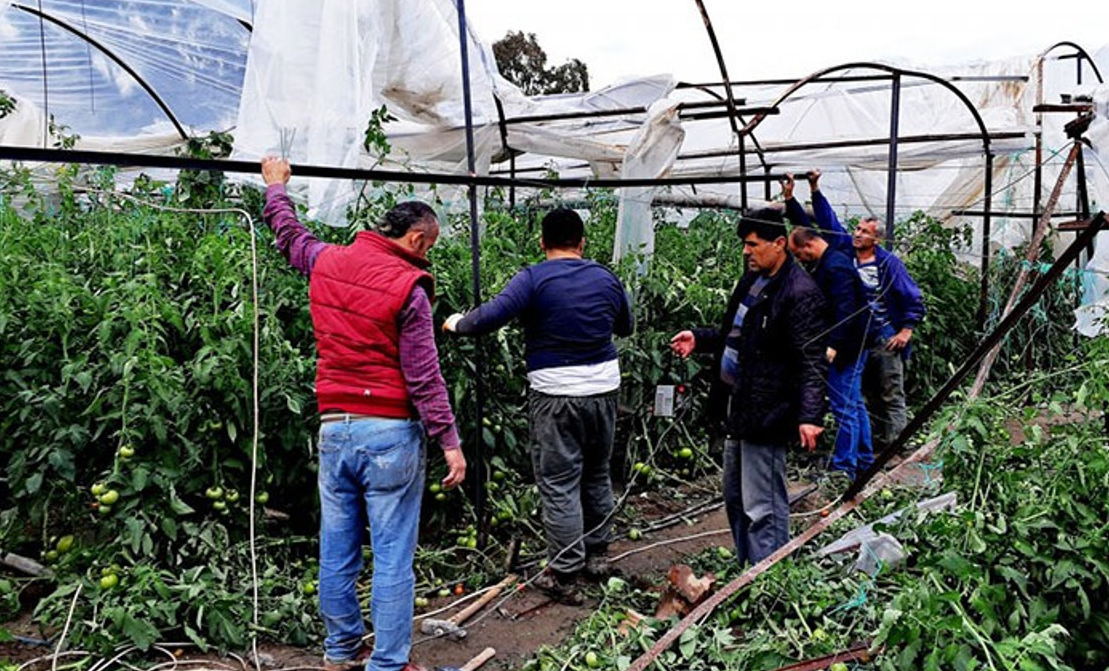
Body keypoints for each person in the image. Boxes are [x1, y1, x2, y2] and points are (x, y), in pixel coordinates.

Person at [260, 157, 466, 671]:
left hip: (335, 430)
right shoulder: (409, 286)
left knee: (337, 549)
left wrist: (275, 188)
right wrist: (449, 441)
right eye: (430, 248)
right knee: (393, 555)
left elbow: (290, 237)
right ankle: (388, 663)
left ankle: (339, 652)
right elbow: (422, 375)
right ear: (418, 240)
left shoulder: (327, 260)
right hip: (390, 434)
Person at [442, 208, 633, 603]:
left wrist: (456, 323)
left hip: (556, 394)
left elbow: (485, 320)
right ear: (582, 242)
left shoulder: (533, 278)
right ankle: (597, 556)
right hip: (603, 391)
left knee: (560, 482)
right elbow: (625, 326)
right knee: (597, 473)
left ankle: (564, 573)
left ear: (542, 242)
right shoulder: (605, 277)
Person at [669, 207, 827, 565]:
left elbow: (812, 360)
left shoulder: (799, 293)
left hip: (768, 411)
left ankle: (768, 577)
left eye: (753, 244)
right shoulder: (753, 281)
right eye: (745, 244)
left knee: (764, 504)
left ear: (780, 244)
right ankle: (746, 569)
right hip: (739, 406)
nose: (746, 251)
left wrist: (810, 415)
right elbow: (736, 336)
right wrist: (701, 338)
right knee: (736, 498)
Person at [782, 170, 925, 452]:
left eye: (864, 232)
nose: (857, 234)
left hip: (884, 334)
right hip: (856, 332)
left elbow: (913, 297)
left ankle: (895, 444)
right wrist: (811, 189)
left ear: (877, 240)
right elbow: (820, 226)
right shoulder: (845, 251)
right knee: (860, 394)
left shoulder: (888, 264)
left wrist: (906, 329)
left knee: (889, 392)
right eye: (857, 229)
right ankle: (868, 450)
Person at [783, 174, 874, 479]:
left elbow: (846, 310)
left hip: (847, 345)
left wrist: (833, 345)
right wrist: (790, 199)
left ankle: (844, 468)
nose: (800, 260)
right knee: (854, 403)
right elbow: (807, 227)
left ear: (809, 247)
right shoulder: (833, 253)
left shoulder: (835, 266)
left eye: (799, 255)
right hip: (856, 342)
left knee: (844, 406)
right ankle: (863, 460)